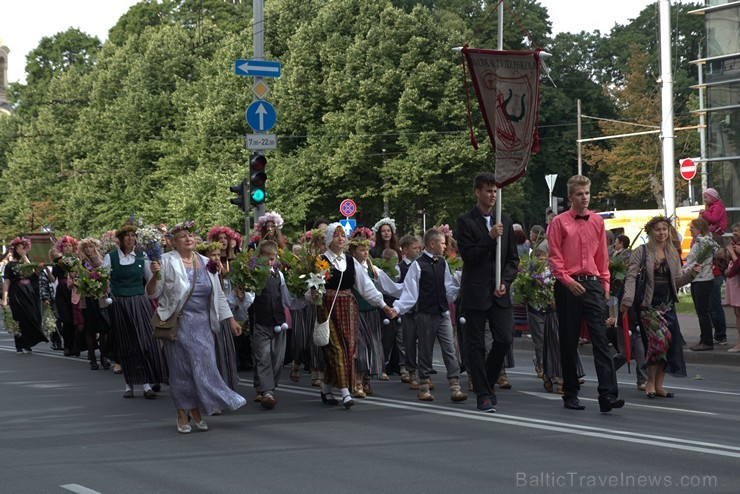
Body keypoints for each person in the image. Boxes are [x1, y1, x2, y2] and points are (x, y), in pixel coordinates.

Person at [148, 221, 246, 433]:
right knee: (181, 370)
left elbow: (218, 294)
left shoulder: (205, 262)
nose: (188, 238)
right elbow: (153, 293)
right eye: (182, 236)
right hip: (178, 323)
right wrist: (154, 275)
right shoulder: (165, 261)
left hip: (203, 325)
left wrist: (230, 320)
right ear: (174, 242)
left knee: (204, 366)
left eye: (190, 234)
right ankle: (184, 412)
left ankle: (205, 404)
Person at [548, 174, 623, 413]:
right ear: (571, 197)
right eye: (579, 194)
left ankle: (608, 395)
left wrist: (605, 285)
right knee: (569, 341)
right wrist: (568, 281)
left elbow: (602, 256)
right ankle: (570, 393)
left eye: (587, 193)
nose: (584, 198)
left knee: (601, 339)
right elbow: (554, 257)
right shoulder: (559, 222)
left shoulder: (597, 222)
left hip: (592, 284)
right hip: (568, 285)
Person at [316, 223, 397, 409]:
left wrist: (384, 305)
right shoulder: (321, 260)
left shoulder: (351, 261)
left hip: (348, 308)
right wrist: (312, 294)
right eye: (336, 236)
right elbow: (312, 287)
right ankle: (345, 392)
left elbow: (366, 286)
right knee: (337, 349)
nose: (341, 239)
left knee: (348, 349)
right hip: (328, 308)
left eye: (343, 235)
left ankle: (326, 388)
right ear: (329, 240)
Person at [456, 173, 518, 413]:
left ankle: (488, 382)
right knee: (476, 346)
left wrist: (506, 281)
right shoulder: (466, 222)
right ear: (478, 192)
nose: (493, 196)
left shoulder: (505, 219)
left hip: (499, 293)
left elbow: (513, 258)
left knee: (504, 339)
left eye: (495, 191)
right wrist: (489, 237)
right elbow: (470, 257)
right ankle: (482, 394)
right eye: (488, 191)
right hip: (475, 293)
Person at [620, 216, 700, 398]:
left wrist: (692, 274)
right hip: (648, 304)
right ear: (650, 232)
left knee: (668, 343)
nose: (662, 233)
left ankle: (659, 385)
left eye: (665, 229)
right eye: (658, 229)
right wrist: (627, 299)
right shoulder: (641, 252)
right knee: (657, 343)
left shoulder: (672, 253)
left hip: (667, 304)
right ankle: (649, 383)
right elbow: (631, 277)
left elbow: (678, 281)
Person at [393, 228, 467, 402]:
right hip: (425, 313)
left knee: (449, 349)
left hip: (442, 312)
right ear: (432, 244)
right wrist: (398, 308)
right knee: (425, 349)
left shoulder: (442, 263)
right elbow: (410, 293)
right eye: (442, 243)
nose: (444, 246)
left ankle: (455, 386)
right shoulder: (417, 265)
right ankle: (424, 385)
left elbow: (448, 288)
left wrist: (459, 289)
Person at [103, 222, 167, 399]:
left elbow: (151, 280)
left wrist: (157, 273)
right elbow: (102, 279)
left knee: (145, 342)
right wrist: (104, 289)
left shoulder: (142, 256)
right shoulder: (111, 257)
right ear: (121, 239)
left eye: (133, 235)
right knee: (126, 343)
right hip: (119, 302)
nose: (131, 238)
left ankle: (147, 383)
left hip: (139, 301)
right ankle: (128, 384)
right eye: (127, 236)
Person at [246, 240, 304, 409]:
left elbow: (286, 299)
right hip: (261, 323)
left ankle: (263, 386)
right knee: (263, 357)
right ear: (259, 258)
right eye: (267, 258)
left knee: (277, 359)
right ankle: (267, 392)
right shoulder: (254, 274)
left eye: (273, 259)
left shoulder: (279, 275)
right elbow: (249, 297)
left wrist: (304, 300)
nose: (270, 262)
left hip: (279, 323)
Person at [2, 236, 48, 353]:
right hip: (16, 292)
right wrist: (4, 299)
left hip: (28, 291)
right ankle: (20, 343)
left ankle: (29, 340)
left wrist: (24, 256)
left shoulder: (27, 261)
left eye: (23, 247)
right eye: (19, 248)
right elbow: (7, 282)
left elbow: (33, 272)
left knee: (32, 316)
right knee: (19, 317)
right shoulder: (9, 265)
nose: (21, 249)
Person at [686, 218, 720, 351]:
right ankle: (703, 339)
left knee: (703, 312)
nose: (690, 230)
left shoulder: (704, 240)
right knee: (701, 312)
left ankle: (707, 341)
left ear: (700, 228)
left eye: (692, 228)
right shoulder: (698, 241)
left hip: (703, 279)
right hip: (697, 279)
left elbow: (717, 250)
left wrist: (704, 263)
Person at [78, 237, 112, 370]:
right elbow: (78, 278)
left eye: (91, 247)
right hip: (88, 297)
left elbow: (106, 275)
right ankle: (92, 358)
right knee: (90, 329)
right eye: (86, 247)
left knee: (104, 328)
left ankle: (103, 356)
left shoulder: (102, 259)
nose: (88, 250)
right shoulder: (81, 262)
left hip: (101, 296)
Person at [51, 236, 78, 354]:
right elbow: (53, 279)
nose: (67, 248)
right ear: (61, 248)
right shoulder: (58, 261)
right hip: (62, 291)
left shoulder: (77, 260)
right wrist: (46, 270)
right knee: (66, 319)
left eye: (69, 246)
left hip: (74, 291)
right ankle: (67, 345)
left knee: (75, 319)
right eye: (65, 246)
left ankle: (75, 345)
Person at [724, 223, 740, 352]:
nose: (734, 233)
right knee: (736, 313)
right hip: (733, 281)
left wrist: (731, 252)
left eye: (737, 231)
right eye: (733, 231)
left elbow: (738, 263)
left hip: (737, 281)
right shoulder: (735, 245)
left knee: (739, 313)